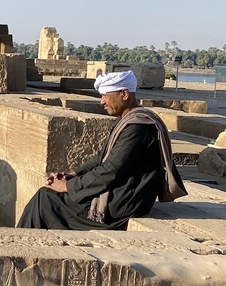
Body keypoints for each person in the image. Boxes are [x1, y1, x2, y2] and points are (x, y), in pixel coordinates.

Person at [18, 70, 187, 230]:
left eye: (106, 96)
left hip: (122, 204)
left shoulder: (138, 128)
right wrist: (73, 175)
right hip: (120, 195)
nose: (102, 101)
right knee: (46, 195)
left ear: (125, 94)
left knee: (46, 200)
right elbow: (102, 158)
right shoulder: (128, 122)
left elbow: (110, 170)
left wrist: (69, 186)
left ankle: (20, 247)